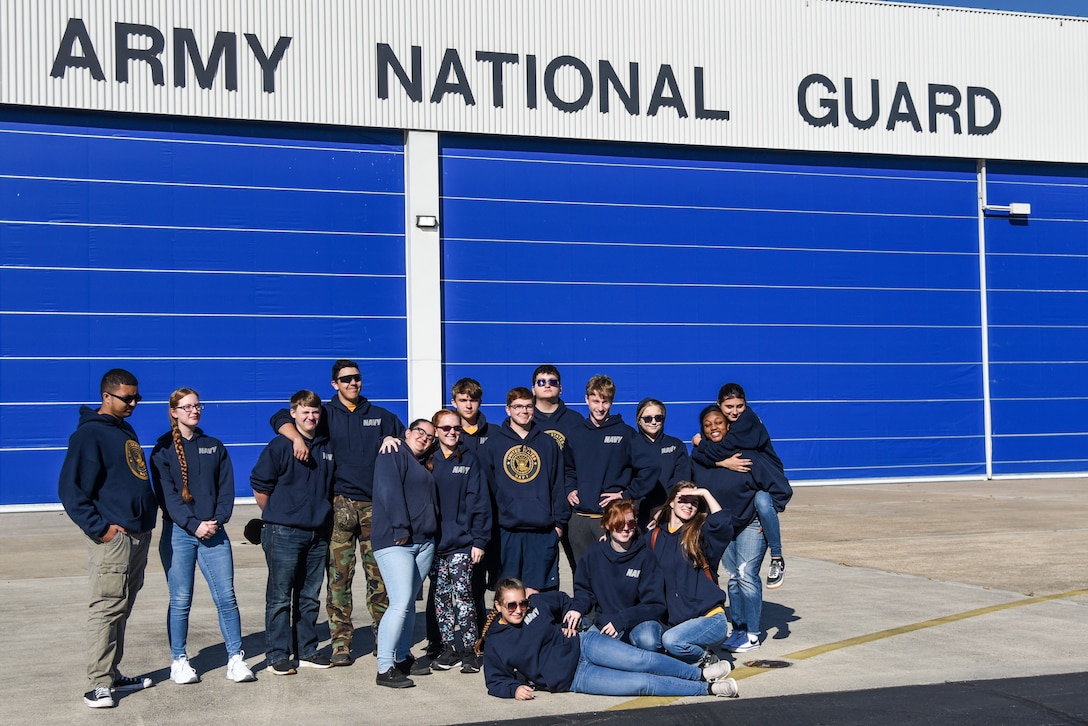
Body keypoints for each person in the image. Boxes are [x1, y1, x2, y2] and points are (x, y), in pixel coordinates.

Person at [269, 359, 404, 666]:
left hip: (374, 508)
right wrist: (294, 438)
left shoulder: (381, 416)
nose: (352, 383)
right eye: (345, 380)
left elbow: (405, 440)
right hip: (339, 507)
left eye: (356, 378)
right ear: (335, 384)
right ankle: (341, 643)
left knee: (379, 579)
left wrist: (394, 439)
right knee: (338, 580)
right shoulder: (324, 414)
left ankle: (385, 638)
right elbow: (279, 416)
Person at [59, 369, 157, 709]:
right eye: (126, 398)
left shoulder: (124, 429)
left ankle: (112, 674)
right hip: (114, 538)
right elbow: (72, 492)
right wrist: (101, 529)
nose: (133, 404)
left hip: (138, 534)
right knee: (106, 607)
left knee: (122, 607)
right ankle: (97, 684)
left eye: (136, 398)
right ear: (106, 396)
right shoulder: (89, 436)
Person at [478, 578, 738, 699]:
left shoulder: (537, 604)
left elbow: (565, 600)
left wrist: (573, 615)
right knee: (642, 684)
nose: (519, 610)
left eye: (522, 603)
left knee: (643, 659)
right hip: (575, 678)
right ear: (498, 606)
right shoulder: (496, 642)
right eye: (511, 606)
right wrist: (513, 689)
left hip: (584, 645)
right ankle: (707, 689)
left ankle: (700, 674)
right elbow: (495, 681)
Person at [151, 388, 255, 685]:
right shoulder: (162, 451)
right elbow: (167, 497)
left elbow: (226, 490)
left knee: (226, 598)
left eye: (197, 406)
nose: (194, 411)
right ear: (174, 412)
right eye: (187, 407)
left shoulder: (214, 446)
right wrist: (193, 524)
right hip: (179, 533)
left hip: (214, 532)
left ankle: (235, 658)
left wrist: (216, 520)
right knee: (181, 599)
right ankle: (179, 660)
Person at [250, 390, 335, 675]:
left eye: (315, 412)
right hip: (283, 533)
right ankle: (278, 655)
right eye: (305, 411)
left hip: (318, 534)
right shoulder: (279, 446)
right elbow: (260, 486)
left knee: (309, 596)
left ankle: (307, 650)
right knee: (279, 597)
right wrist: (277, 515)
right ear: (294, 413)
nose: (311, 417)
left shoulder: (326, 446)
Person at [691, 404, 777, 654]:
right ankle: (738, 628)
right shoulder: (699, 456)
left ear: (728, 425)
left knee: (747, 574)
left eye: (718, 422)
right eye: (707, 425)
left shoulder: (745, 453)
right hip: (723, 526)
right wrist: (721, 463)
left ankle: (752, 632)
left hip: (750, 523)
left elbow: (773, 483)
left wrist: (768, 515)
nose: (713, 428)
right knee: (733, 578)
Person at [691, 383, 792, 590]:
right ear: (719, 404)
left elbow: (722, 449)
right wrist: (720, 462)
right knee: (734, 576)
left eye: (739, 406)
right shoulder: (731, 427)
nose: (735, 411)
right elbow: (714, 454)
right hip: (736, 508)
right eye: (729, 407)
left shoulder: (746, 424)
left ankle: (777, 557)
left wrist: (774, 509)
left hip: (768, 474)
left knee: (763, 501)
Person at [632, 482, 733, 665]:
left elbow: (723, 524)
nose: (688, 505)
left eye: (694, 502)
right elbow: (631, 554)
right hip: (675, 623)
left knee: (671, 641)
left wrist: (705, 492)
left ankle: (706, 659)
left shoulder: (699, 533)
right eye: (683, 500)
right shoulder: (654, 537)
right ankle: (695, 662)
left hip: (709, 618)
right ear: (671, 502)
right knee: (650, 644)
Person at [372, 419, 440, 688]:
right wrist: (400, 526)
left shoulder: (422, 462)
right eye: (420, 432)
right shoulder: (393, 453)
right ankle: (384, 667)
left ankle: (401, 658)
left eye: (430, 436)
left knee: (410, 602)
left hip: (423, 542)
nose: (425, 438)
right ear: (407, 433)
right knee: (399, 602)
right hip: (396, 541)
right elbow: (389, 490)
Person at [478, 387, 569, 592]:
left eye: (528, 406)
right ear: (508, 409)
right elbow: (486, 491)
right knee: (508, 596)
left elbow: (557, 484)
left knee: (537, 596)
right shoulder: (493, 445)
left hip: (543, 531)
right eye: (518, 406)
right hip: (506, 533)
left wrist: (559, 525)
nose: (524, 411)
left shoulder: (548, 444)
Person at [565, 375, 659, 568]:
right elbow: (568, 468)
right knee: (583, 578)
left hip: (612, 519)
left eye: (605, 402)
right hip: (580, 521)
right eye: (595, 401)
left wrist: (626, 494)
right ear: (586, 400)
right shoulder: (576, 434)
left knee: (613, 576)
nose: (600, 407)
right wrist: (570, 488)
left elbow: (651, 467)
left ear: (612, 401)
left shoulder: (625, 434)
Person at [426, 409, 491, 674]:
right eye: (446, 429)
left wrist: (479, 541)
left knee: (463, 597)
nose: (452, 433)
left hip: (463, 544)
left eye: (456, 429)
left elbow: (480, 503)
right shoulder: (427, 460)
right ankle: (448, 649)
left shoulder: (470, 460)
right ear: (436, 432)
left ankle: (470, 651)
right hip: (434, 546)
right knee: (441, 598)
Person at [562, 500, 666, 643]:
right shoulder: (593, 553)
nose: (625, 528)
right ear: (606, 525)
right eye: (618, 523)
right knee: (583, 648)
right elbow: (585, 591)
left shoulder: (646, 556)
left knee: (648, 640)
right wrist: (577, 609)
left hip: (639, 623)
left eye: (630, 523)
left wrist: (623, 619)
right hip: (606, 622)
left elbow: (655, 605)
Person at [630, 398, 692, 529]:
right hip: (635, 513)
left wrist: (665, 511)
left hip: (669, 514)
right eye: (647, 418)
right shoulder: (630, 445)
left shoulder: (676, 445)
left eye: (658, 417)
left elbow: (681, 482)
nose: (653, 422)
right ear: (638, 420)